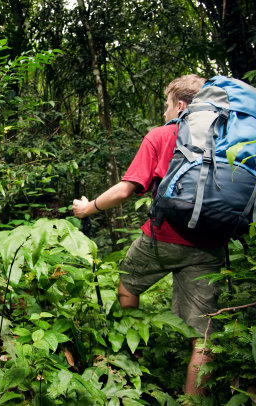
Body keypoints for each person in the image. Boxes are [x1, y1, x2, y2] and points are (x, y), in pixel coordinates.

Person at [72, 74, 224, 396]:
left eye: (167, 105)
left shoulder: (160, 136)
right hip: (210, 243)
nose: (165, 112)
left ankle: (130, 362)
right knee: (205, 334)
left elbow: (127, 189)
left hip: (163, 238)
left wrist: (89, 209)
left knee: (127, 282)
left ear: (180, 105)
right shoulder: (224, 139)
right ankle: (193, 403)